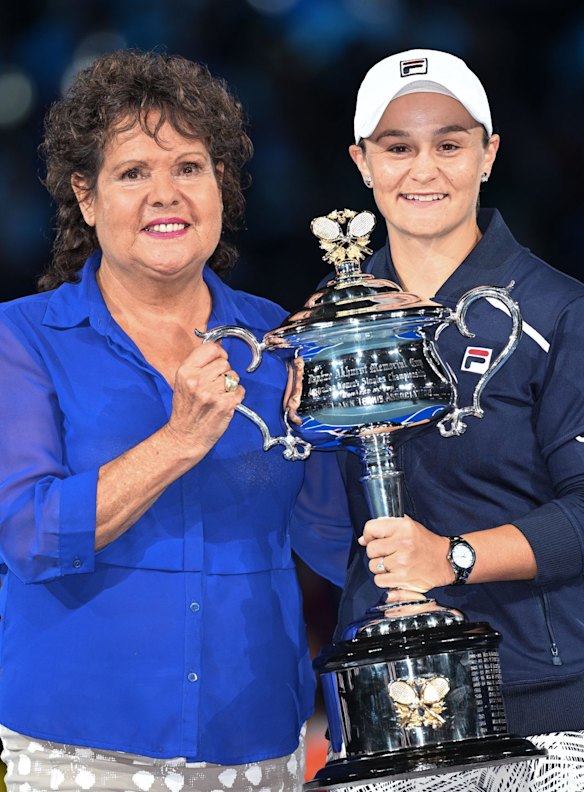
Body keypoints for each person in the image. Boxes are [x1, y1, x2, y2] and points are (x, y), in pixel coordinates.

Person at [0, 49, 351, 792]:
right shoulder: (21, 339)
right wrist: (180, 440)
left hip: (256, 745)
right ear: (85, 197)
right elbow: (27, 534)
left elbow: (331, 538)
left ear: (221, 185)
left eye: (189, 167)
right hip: (81, 749)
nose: (167, 194)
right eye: (133, 173)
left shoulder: (283, 344)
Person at [330, 48, 584, 790]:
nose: (423, 169)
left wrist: (454, 557)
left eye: (449, 144)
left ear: (487, 155)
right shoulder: (333, 320)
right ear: (362, 162)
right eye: (397, 147)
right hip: (387, 712)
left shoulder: (557, 312)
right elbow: (320, 511)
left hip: (542, 717)